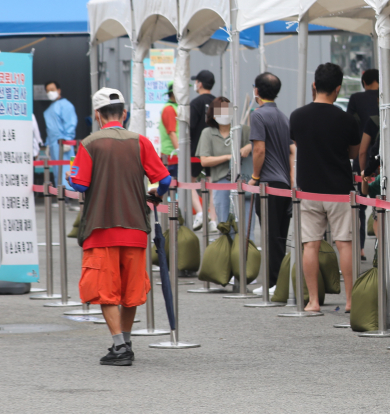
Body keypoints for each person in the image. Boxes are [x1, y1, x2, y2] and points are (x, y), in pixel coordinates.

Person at [66, 88, 172, 366]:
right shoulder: (141, 142)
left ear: (98, 115)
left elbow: (79, 184)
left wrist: (70, 177)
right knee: (131, 289)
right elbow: (165, 180)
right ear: (124, 114)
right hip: (136, 227)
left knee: (105, 289)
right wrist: (155, 196)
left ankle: (119, 347)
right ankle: (125, 341)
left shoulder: (90, 143)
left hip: (100, 229)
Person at [289, 63, 362, 312]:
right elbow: (353, 153)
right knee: (345, 244)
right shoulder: (346, 119)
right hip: (339, 189)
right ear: (338, 88)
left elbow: (297, 144)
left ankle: (313, 301)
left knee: (310, 245)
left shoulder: (297, 116)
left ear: (314, 85)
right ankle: (352, 301)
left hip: (308, 189)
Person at [248, 72, 295, 286]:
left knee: (270, 236)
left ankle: (273, 284)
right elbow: (291, 150)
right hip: (283, 183)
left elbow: (259, 150)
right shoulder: (283, 117)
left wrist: (254, 177)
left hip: (268, 183)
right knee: (279, 236)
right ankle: (278, 282)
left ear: (257, 91)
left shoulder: (258, 115)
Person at [196, 97, 253, 234]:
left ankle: (247, 252)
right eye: (220, 111)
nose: (225, 114)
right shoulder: (207, 133)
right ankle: (228, 253)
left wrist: (249, 147)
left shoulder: (243, 130)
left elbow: (258, 144)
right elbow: (204, 160)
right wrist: (229, 157)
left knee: (246, 225)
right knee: (225, 224)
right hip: (220, 182)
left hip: (243, 180)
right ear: (214, 114)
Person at [43, 80, 78, 182]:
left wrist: (67, 139)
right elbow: (50, 128)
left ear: (59, 90)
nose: (50, 92)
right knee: (57, 171)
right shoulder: (49, 109)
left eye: (52, 90)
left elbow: (71, 123)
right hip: (54, 144)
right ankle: (61, 194)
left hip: (64, 143)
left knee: (66, 170)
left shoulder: (66, 105)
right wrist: (48, 143)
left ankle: (68, 193)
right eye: (48, 90)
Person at [189, 70, 216, 151]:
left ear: (200, 84)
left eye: (196, 82)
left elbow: (190, 127)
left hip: (198, 150)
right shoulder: (221, 103)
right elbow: (227, 126)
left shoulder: (195, 103)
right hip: (217, 151)